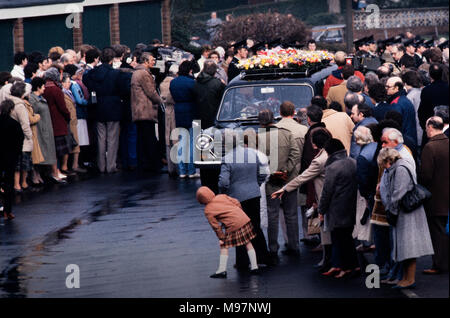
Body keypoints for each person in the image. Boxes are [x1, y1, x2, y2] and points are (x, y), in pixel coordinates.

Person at [272, 128, 333, 272]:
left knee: (326, 232)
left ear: (314, 144)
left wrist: (284, 188)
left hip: (325, 198)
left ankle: (328, 261)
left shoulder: (319, 160)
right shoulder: (330, 154)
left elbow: (302, 177)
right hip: (333, 196)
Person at [378, 147, 434, 289]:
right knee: (406, 248)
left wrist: (391, 210)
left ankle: (409, 280)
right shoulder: (399, 166)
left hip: (407, 214)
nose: (384, 166)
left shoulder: (401, 168)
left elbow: (398, 193)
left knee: (409, 248)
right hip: (406, 213)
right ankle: (406, 278)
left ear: (387, 160)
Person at [218, 133, 270, 269]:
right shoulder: (252, 153)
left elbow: (223, 182)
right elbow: (263, 172)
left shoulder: (227, 159)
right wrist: (256, 184)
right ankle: (263, 257)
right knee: (255, 226)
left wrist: (224, 193)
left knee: (239, 229)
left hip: (237, 198)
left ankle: (243, 261)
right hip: (254, 194)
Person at [258, 109, 301, 261]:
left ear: (260, 122)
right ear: (274, 120)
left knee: (272, 215)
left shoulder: (259, 138)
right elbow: (295, 154)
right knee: (291, 214)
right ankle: (294, 246)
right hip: (289, 179)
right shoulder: (287, 134)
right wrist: (286, 171)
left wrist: (272, 173)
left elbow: (259, 161)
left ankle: (273, 248)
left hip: (271, 181)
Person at [196, 186, 260, 278]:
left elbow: (216, 226)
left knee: (224, 245)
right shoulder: (221, 196)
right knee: (248, 242)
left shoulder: (208, 210)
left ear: (201, 200)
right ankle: (254, 267)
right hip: (244, 219)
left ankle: (222, 270)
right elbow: (236, 202)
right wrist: (238, 212)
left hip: (233, 225)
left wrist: (221, 237)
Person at [319, 138, 360, 278]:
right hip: (351, 204)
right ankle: (353, 265)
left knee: (340, 239)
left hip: (337, 207)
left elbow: (327, 192)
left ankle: (345, 267)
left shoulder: (332, 167)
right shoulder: (353, 162)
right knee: (347, 238)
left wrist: (321, 210)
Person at [83, 48, 124, 174]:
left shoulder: (92, 73)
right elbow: (122, 89)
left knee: (101, 138)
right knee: (112, 138)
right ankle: (111, 165)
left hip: (98, 106)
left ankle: (101, 165)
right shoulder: (116, 74)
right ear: (112, 60)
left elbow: (86, 81)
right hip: (113, 106)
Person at [419, 117, 449, 274]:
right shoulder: (447, 142)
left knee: (437, 232)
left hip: (436, 197)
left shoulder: (430, 147)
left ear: (430, 127)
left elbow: (425, 175)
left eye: (425, 127)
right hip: (446, 195)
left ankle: (439, 264)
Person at [130, 52, 163, 174]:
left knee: (142, 139)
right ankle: (152, 164)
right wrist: (160, 101)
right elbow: (151, 92)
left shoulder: (136, 73)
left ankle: (143, 164)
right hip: (145, 110)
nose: (154, 62)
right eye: (152, 60)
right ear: (145, 61)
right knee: (149, 138)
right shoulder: (144, 74)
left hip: (139, 110)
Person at [29, 77, 64, 183]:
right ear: (38, 87)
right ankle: (36, 175)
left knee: (46, 152)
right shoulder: (33, 100)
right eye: (43, 86)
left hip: (45, 129)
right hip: (39, 130)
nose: (44, 88)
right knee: (38, 154)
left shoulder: (40, 98)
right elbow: (32, 115)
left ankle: (42, 174)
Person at [42, 67, 71, 180]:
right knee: (58, 150)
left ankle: (54, 171)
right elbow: (62, 107)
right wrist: (68, 116)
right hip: (58, 122)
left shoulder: (44, 87)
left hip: (47, 121)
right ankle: (56, 171)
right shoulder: (55, 89)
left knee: (51, 148)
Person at [170, 60, 196, 178]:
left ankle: (182, 170)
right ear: (190, 70)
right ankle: (191, 170)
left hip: (178, 110)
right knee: (191, 143)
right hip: (190, 109)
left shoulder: (173, 83)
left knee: (182, 142)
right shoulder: (191, 82)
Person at [0, 99, 24, 220]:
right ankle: (7, 211)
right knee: (9, 183)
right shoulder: (14, 124)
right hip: (10, 157)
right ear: (11, 110)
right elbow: (20, 141)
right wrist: (17, 153)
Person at [418, 64, 449, 145]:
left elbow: (422, 112)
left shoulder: (426, 90)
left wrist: (426, 127)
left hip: (433, 127)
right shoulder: (447, 88)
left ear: (430, 75)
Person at [385, 76, 418, 147]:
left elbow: (394, 125)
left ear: (396, 88)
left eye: (388, 87)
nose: (386, 89)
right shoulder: (405, 99)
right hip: (409, 139)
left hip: (401, 141)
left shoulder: (396, 103)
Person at [193, 59, 226, 130]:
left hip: (198, 116)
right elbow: (224, 99)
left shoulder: (196, 82)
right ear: (214, 71)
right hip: (213, 117)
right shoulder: (218, 83)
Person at [160, 64, 178, 177]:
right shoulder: (174, 84)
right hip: (174, 111)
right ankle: (176, 166)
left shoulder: (162, 84)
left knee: (168, 140)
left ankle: (170, 167)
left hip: (166, 112)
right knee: (176, 139)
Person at [61, 73, 81, 174]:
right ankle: (71, 165)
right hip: (70, 121)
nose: (69, 84)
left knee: (74, 143)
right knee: (72, 143)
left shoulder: (68, 92)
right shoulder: (64, 93)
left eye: (69, 82)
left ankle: (74, 165)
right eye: (67, 82)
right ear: (62, 83)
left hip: (73, 120)